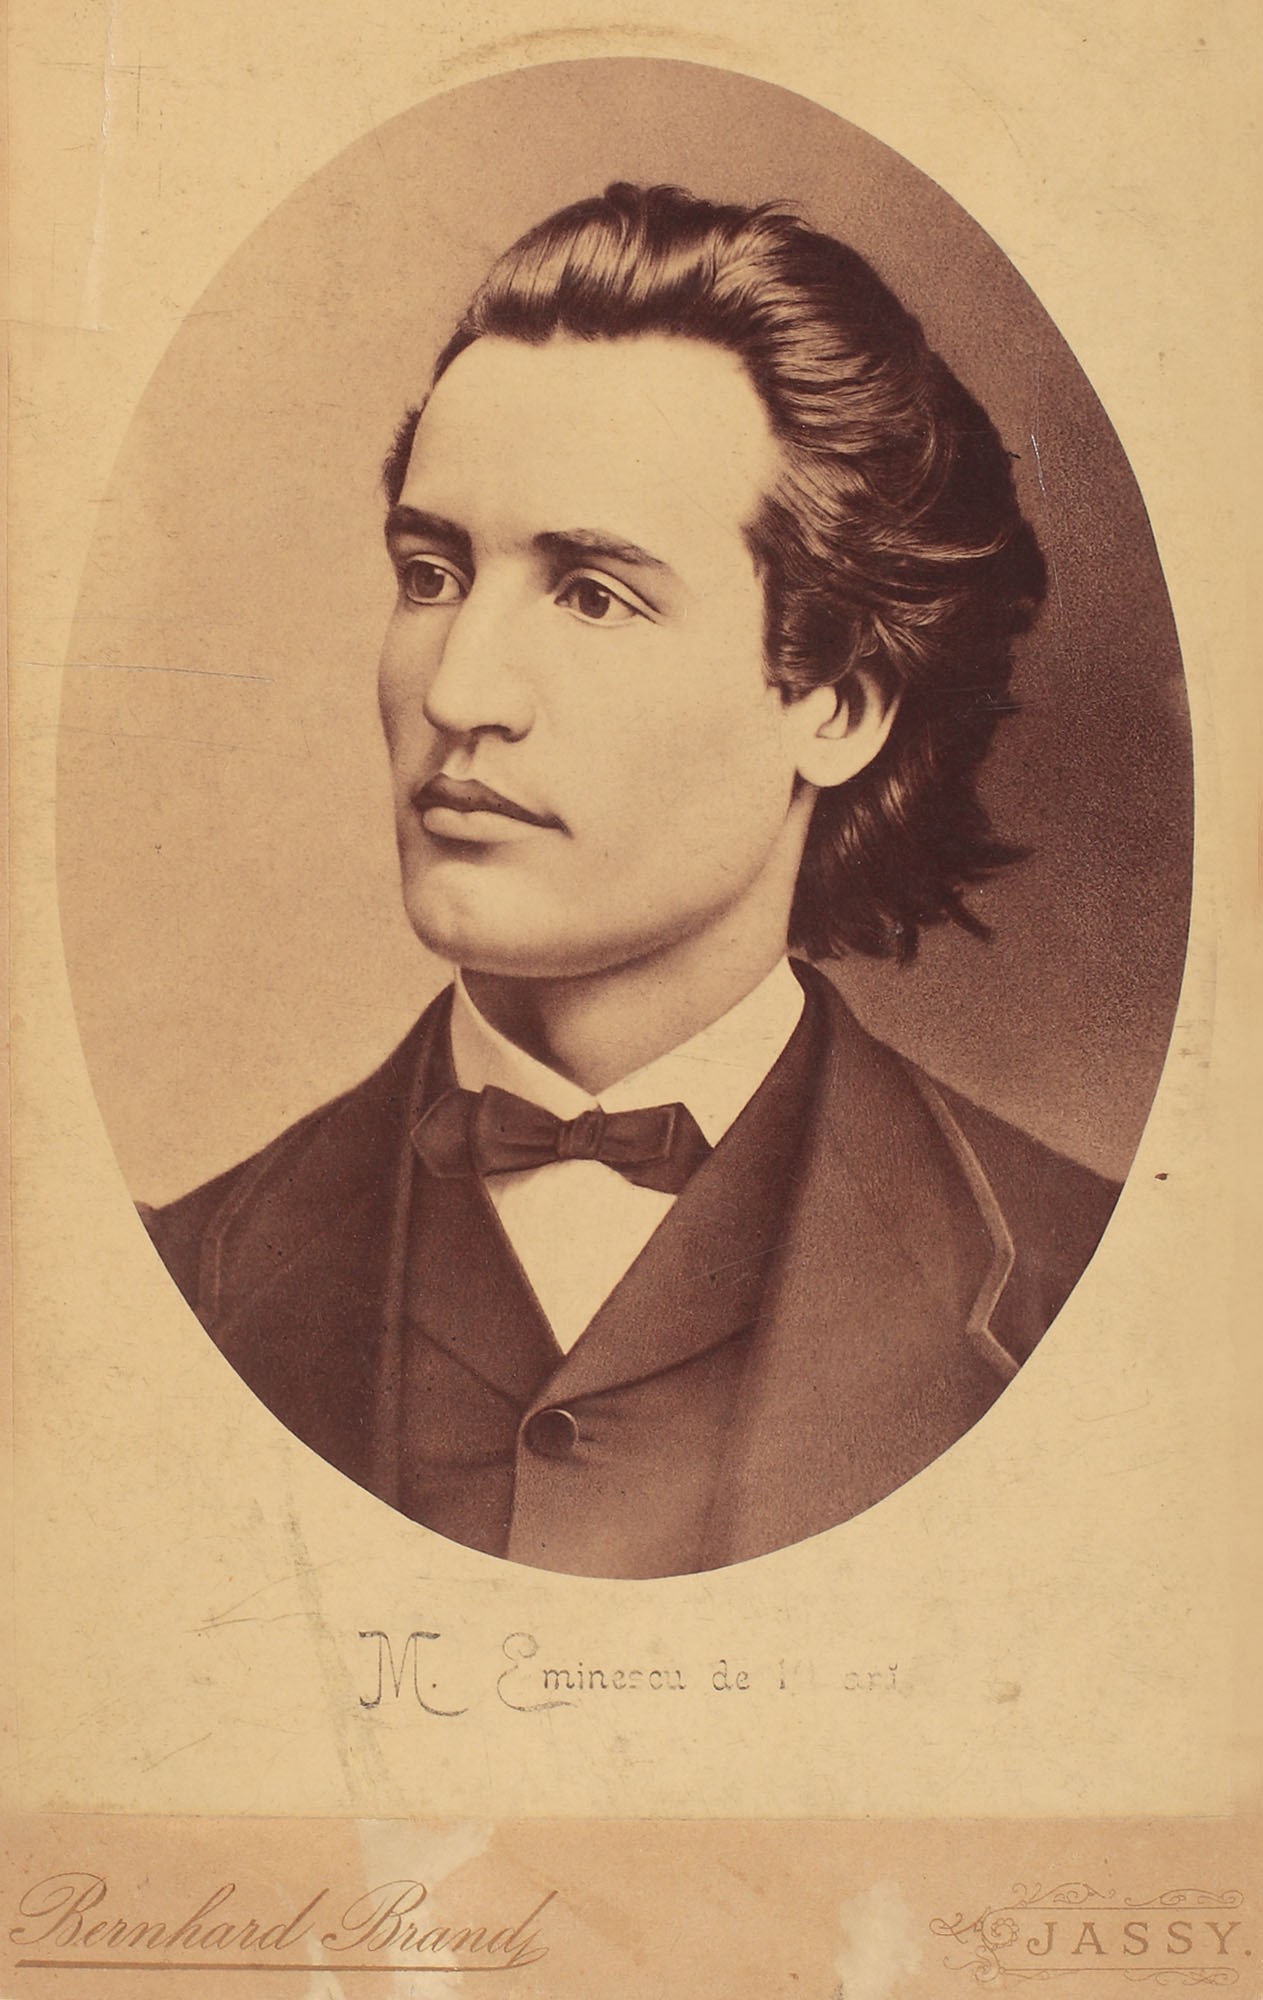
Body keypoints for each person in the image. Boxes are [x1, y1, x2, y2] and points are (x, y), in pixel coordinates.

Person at [141, 183, 1119, 1578]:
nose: (460, 691)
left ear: (836, 703)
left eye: (593, 594)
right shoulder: (167, 1287)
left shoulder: (1095, 1290)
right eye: (431, 574)